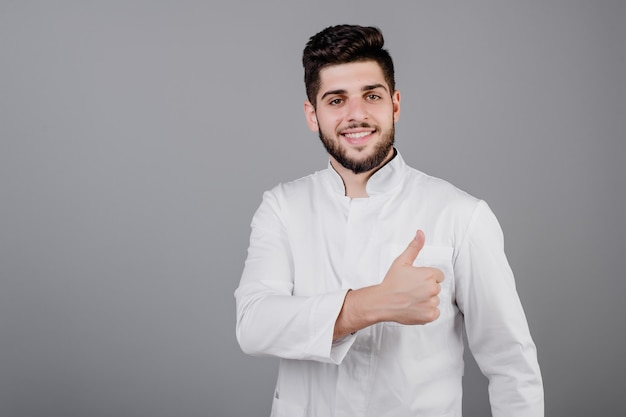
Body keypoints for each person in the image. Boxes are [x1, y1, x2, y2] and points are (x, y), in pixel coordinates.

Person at [235, 24, 543, 417]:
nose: (356, 114)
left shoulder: (461, 215)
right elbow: (254, 324)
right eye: (336, 100)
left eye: (371, 95)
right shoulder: (282, 207)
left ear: (395, 104)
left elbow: (511, 366)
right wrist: (372, 304)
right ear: (312, 115)